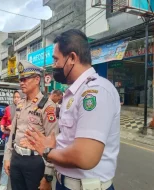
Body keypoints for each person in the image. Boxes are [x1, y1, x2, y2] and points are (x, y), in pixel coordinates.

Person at [25, 29, 120, 190]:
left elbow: (85, 156)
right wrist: (54, 150)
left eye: (56, 60)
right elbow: (68, 141)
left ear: (72, 58)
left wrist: (47, 151)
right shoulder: (73, 93)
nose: (54, 66)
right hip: (65, 183)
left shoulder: (95, 92)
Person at [3, 60, 58, 190]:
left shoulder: (47, 106)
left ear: (37, 79)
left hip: (35, 162)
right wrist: (7, 157)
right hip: (16, 158)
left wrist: (48, 175)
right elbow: (13, 133)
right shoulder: (21, 104)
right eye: (20, 79)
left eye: (25, 79)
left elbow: (52, 142)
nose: (21, 83)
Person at [0, 91, 21, 190]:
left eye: (18, 97)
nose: (16, 99)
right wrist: (2, 125)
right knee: (6, 160)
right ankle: (3, 184)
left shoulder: (28, 108)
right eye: (15, 97)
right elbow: (3, 119)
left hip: (21, 140)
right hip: (9, 138)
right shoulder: (8, 108)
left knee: (18, 163)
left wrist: (15, 127)